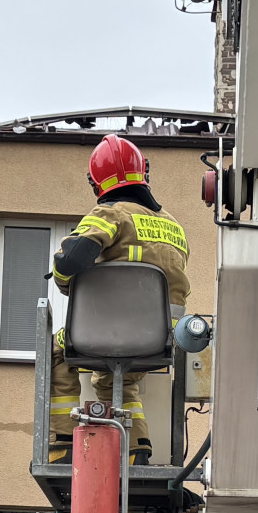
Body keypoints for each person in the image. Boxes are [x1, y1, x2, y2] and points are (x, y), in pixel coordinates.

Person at [48, 133, 192, 465]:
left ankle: (62, 443)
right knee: (117, 379)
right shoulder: (174, 227)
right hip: (161, 340)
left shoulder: (111, 214)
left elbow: (68, 263)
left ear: (98, 183)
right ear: (143, 174)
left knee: (56, 351)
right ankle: (136, 448)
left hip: (108, 331)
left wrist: (67, 284)